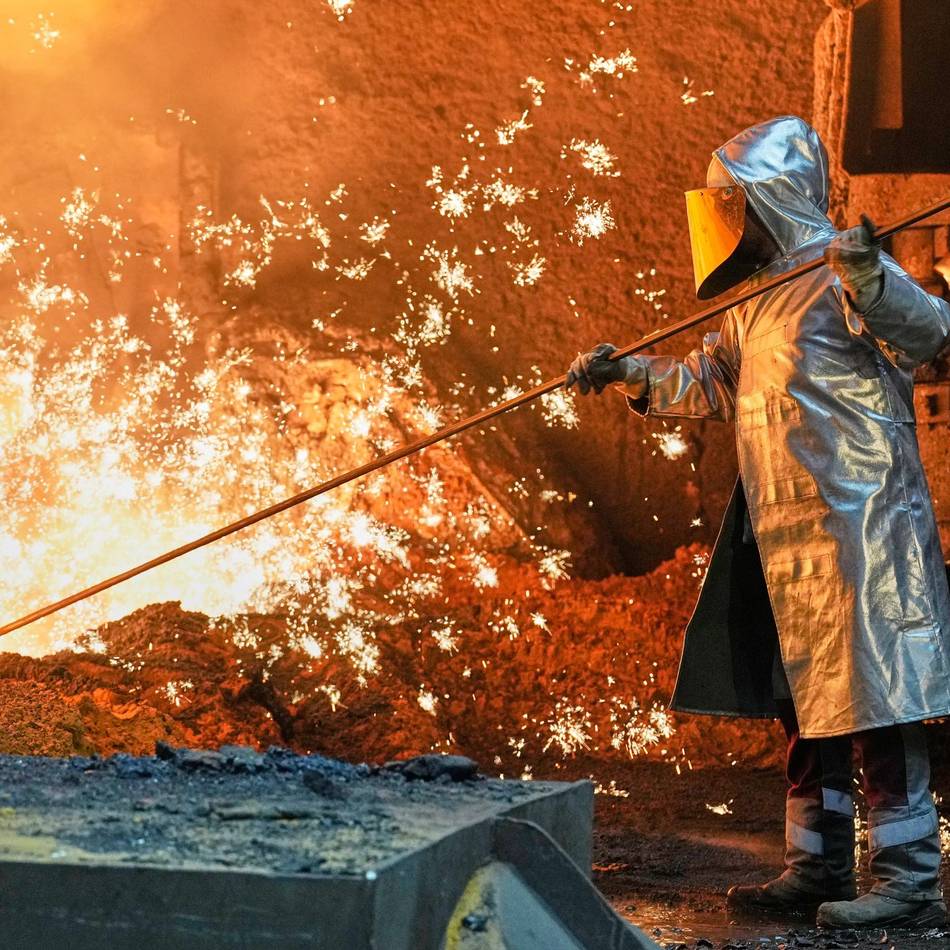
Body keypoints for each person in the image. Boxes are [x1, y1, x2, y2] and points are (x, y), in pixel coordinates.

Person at [566, 115, 950, 930]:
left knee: (877, 701)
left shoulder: (848, 272)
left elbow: (932, 335)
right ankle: (815, 867)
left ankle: (909, 880)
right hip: (786, 534)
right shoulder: (754, 305)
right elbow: (710, 384)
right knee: (807, 706)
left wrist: (871, 279)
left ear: (771, 197)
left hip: (860, 523)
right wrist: (629, 372)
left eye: (737, 203)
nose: (729, 220)